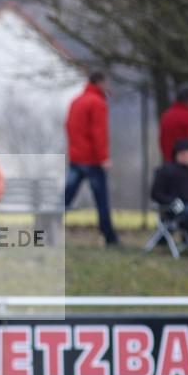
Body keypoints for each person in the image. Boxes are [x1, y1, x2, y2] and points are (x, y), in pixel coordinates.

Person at [64, 71, 120, 246]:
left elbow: (68, 126)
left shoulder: (76, 101)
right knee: (101, 200)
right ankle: (109, 237)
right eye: (107, 83)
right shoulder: (97, 103)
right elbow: (99, 133)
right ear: (100, 82)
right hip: (92, 160)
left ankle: (47, 227)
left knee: (66, 197)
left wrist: (74, 149)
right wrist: (104, 157)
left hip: (76, 157)